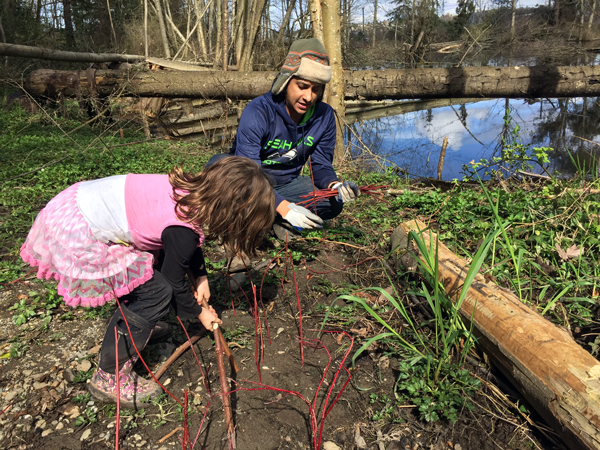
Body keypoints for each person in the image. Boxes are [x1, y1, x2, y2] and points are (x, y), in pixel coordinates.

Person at [19, 157, 275, 408]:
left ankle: (142, 325)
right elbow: (174, 277)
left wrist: (201, 278)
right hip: (76, 228)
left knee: (148, 278)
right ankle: (109, 375)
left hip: (74, 201)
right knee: (157, 291)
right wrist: (199, 314)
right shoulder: (182, 231)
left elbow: (185, 240)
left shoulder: (189, 191)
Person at [206, 38, 360, 239]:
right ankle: (272, 216)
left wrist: (335, 186)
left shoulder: (324, 117)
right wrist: (285, 208)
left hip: (286, 185)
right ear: (286, 81)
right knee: (218, 169)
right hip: (247, 182)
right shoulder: (258, 111)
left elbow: (321, 165)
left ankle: (261, 217)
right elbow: (248, 172)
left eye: (316, 89)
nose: (308, 97)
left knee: (332, 202)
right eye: (302, 86)